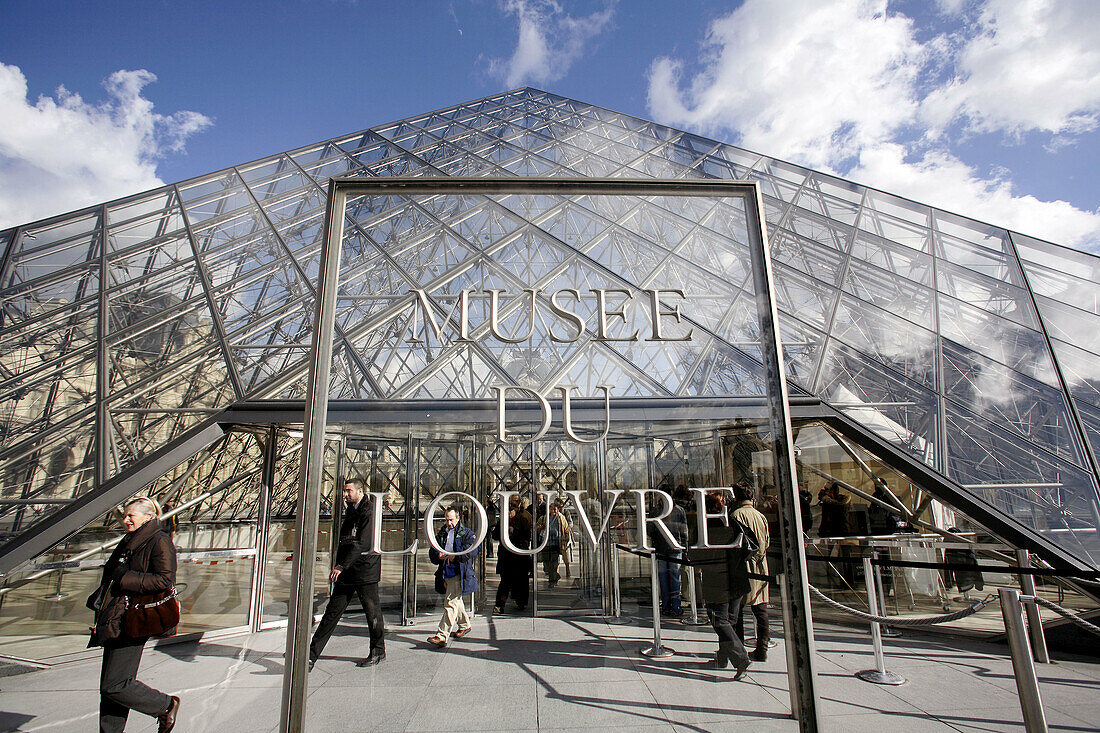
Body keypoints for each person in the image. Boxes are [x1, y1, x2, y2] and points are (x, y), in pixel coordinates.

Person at [88, 496, 180, 733]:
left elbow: (165, 578)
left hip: (134, 617)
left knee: (115, 684)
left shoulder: (158, 541)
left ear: (148, 516)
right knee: (110, 686)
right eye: (125, 515)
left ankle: (164, 704)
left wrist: (124, 577)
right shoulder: (130, 540)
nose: (126, 520)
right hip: (115, 615)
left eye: (131, 516)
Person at [308, 478, 386, 670]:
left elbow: (362, 543)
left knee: (372, 613)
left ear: (360, 491)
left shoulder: (369, 510)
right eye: (344, 491)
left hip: (364, 571)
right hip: (349, 570)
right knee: (332, 613)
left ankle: (378, 651)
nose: (345, 494)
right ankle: (310, 655)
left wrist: (340, 566)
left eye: (348, 491)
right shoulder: (352, 509)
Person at [692, 489, 758, 679]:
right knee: (729, 620)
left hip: (717, 579)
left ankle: (740, 657)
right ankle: (723, 657)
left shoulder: (703, 526)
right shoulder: (733, 522)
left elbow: (697, 555)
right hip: (736, 577)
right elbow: (750, 545)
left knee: (719, 620)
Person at [427, 506, 480, 646]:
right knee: (456, 600)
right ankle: (464, 625)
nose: (448, 523)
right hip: (446, 570)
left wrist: (455, 556)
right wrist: (438, 556)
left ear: (458, 518)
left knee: (450, 602)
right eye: (446, 520)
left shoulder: (467, 533)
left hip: (458, 571)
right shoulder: (443, 532)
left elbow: (473, 550)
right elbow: (433, 548)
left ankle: (442, 634)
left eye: (451, 520)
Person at [730, 482, 771, 661]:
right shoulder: (760, 515)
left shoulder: (735, 515)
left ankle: (738, 650)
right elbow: (767, 541)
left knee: (736, 611)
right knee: (760, 609)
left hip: (743, 566)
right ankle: (762, 647)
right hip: (761, 566)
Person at [653, 487, 688, 617]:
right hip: (676, 548)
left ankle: (666, 605)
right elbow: (684, 531)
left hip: (661, 548)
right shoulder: (679, 510)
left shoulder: (656, 510)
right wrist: (685, 548)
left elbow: (651, 530)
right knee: (675, 577)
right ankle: (676, 605)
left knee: (663, 577)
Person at [493, 495, 533, 612]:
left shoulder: (524, 518)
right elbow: (495, 535)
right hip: (506, 555)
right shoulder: (503, 520)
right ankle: (500, 604)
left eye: (511, 510)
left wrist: (514, 532)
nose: (509, 513)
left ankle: (521, 602)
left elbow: (527, 536)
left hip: (519, 555)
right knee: (505, 581)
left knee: (520, 580)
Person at [536, 500, 573, 587]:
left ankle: (552, 580)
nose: (553, 511)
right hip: (546, 543)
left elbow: (566, 529)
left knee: (554, 562)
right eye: (552, 509)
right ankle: (555, 576)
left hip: (556, 543)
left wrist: (565, 539)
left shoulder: (561, 518)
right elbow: (536, 528)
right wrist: (541, 527)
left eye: (555, 509)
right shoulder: (544, 518)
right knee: (547, 562)